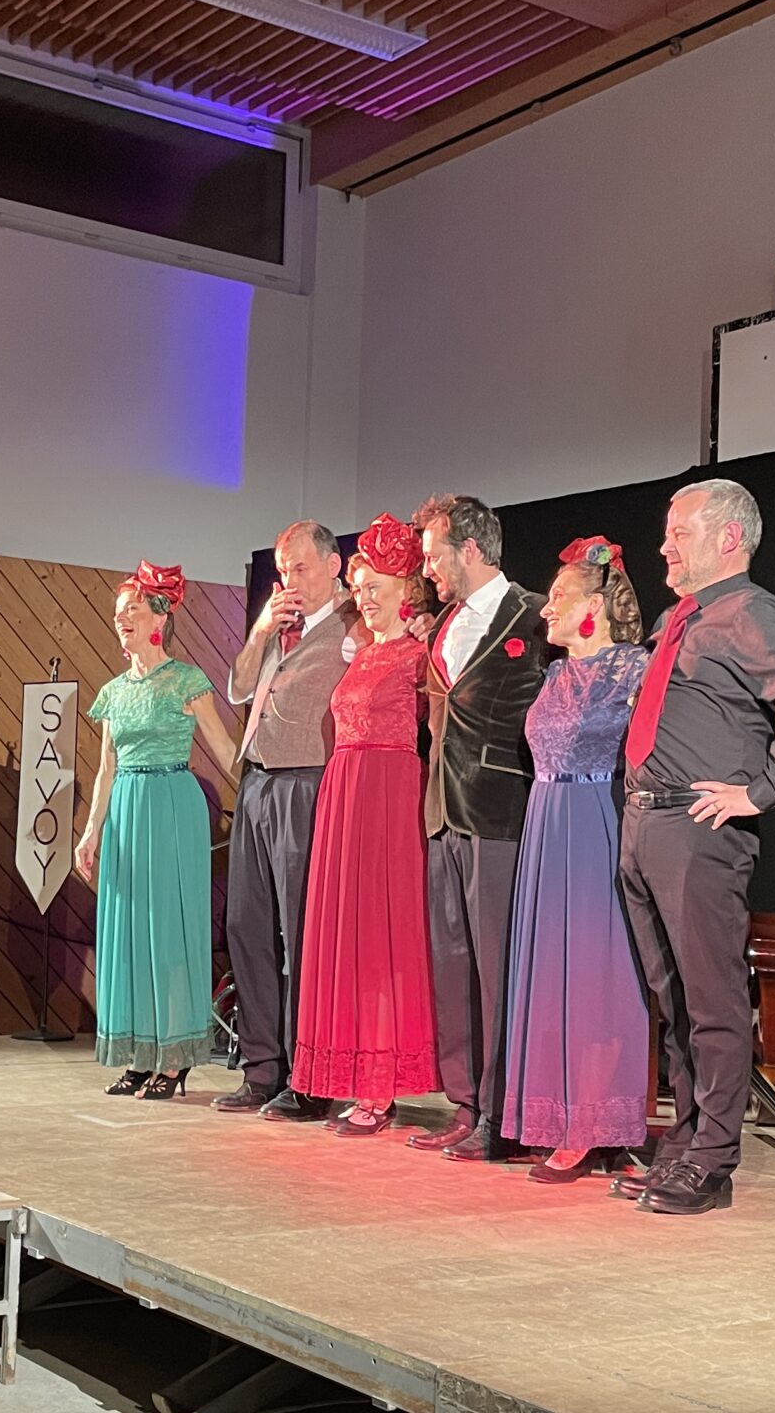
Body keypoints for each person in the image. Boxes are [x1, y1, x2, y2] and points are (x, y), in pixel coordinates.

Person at [617, 479, 775, 1217]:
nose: (664, 547)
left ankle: (713, 1161)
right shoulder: (675, 620)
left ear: (729, 538)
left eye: (679, 532)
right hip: (645, 824)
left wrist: (762, 791)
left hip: (697, 830)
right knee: (672, 999)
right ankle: (685, 1140)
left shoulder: (748, 611)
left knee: (712, 1001)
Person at [504, 538, 656, 1183]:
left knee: (598, 976)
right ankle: (554, 1115)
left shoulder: (635, 669)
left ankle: (598, 1124)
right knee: (550, 975)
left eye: (559, 597)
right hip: (545, 825)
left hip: (598, 822)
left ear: (595, 606)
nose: (546, 609)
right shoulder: (553, 675)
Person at [409, 494, 555, 1162]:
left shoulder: (534, 613)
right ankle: (466, 1103)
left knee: (498, 970)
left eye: (434, 555)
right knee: (453, 967)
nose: (427, 569)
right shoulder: (443, 624)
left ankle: (504, 1114)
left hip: (500, 810)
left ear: (469, 549)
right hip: (442, 811)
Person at [290, 517, 440, 1137]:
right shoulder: (367, 652)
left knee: (381, 936)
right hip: (344, 795)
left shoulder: (418, 655)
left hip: (387, 796)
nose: (365, 596)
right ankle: (353, 1073)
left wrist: (430, 632)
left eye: (376, 586)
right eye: (360, 587)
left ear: (409, 590)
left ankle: (381, 1085)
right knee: (347, 937)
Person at [76, 562, 239, 1098]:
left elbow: (224, 751)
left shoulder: (186, 681)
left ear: (160, 618)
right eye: (118, 611)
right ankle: (140, 1054)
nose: (121, 618)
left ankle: (174, 1057)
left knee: (169, 933)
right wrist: (91, 832)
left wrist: (264, 790)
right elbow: (106, 769)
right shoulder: (113, 692)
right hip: (127, 809)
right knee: (129, 935)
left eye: (132, 609)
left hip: (172, 807)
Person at [219, 521, 356, 1123]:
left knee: (303, 932)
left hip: (308, 779)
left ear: (332, 565)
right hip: (257, 778)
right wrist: (259, 632)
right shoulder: (279, 626)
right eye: (282, 571)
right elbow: (238, 688)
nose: (290, 581)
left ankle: (310, 1075)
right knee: (246, 924)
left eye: (300, 568)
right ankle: (261, 1067)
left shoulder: (353, 624)